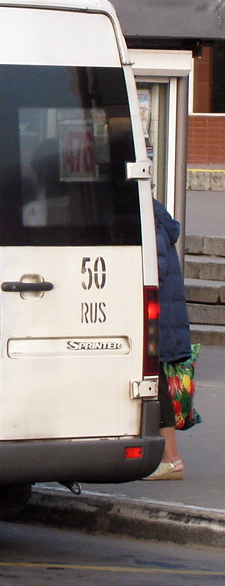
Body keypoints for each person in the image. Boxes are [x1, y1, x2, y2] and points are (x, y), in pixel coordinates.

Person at [144, 198, 192, 480]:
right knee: (155, 380)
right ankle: (167, 457)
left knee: (156, 382)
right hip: (163, 316)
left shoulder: (148, 216)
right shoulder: (155, 213)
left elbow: (154, 270)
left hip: (158, 318)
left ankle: (171, 458)